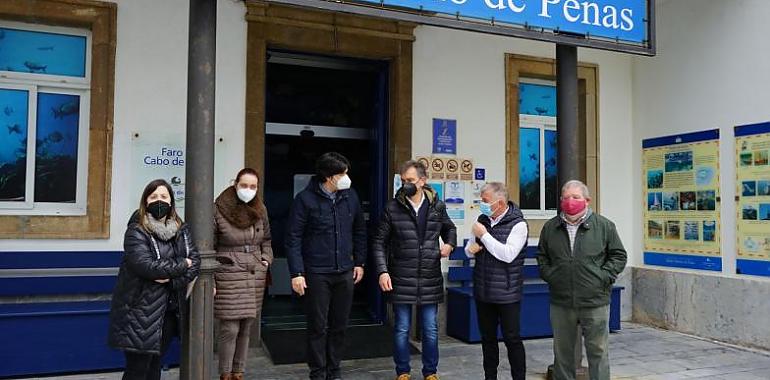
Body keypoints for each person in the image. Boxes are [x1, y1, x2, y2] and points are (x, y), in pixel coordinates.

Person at [372, 160, 457, 380]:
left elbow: (450, 229)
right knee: (401, 329)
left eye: (410, 180)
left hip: (429, 276)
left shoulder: (437, 206)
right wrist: (383, 271)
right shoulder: (393, 207)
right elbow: (379, 242)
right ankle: (403, 372)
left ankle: (430, 372)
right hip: (401, 276)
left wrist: (449, 244)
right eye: (403, 181)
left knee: (430, 329)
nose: (405, 185)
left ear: (422, 180)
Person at [108, 179, 200, 380]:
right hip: (139, 311)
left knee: (155, 366)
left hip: (168, 312)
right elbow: (146, 266)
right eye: (154, 197)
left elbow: (196, 262)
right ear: (145, 201)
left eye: (164, 197)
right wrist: (182, 264)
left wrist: (170, 280)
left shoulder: (181, 229)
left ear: (171, 201)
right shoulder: (136, 230)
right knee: (138, 369)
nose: (159, 201)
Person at [286, 152, 367, 380]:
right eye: (342, 174)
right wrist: (297, 273)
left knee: (339, 325)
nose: (346, 178)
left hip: (344, 270)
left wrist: (359, 262)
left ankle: (334, 370)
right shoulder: (305, 199)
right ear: (328, 177)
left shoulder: (350, 196)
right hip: (316, 272)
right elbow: (293, 238)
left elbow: (360, 230)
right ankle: (318, 372)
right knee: (318, 326)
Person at [536, 180, 627, 380]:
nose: (570, 202)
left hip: (594, 300)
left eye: (575, 197)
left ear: (587, 200)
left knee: (598, 352)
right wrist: (551, 276)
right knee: (562, 354)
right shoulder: (551, 227)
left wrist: (604, 277)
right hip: (562, 302)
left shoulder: (604, 226)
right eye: (566, 198)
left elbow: (618, 255)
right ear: (560, 200)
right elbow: (542, 257)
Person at [213, 168, 273, 380]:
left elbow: (266, 238)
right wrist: (211, 278)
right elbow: (209, 246)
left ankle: (239, 372)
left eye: (253, 186)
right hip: (228, 272)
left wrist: (266, 259)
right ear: (235, 184)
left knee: (247, 326)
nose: (248, 190)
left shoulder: (260, 208)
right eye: (244, 185)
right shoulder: (219, 208)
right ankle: (225, 373)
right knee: (229, 328)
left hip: (254, 273)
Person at [464, 182, 528, 380]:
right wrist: (470, 249)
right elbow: (469, 248)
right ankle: (490, 377)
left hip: (507, 292)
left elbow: (508, 255)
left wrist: (484, 235)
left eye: (485, 201)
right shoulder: (483, 218)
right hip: (484, 290)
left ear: (499, 203)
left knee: (512, 339)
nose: (481, 205)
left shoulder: (518, 224)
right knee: (488, 339)